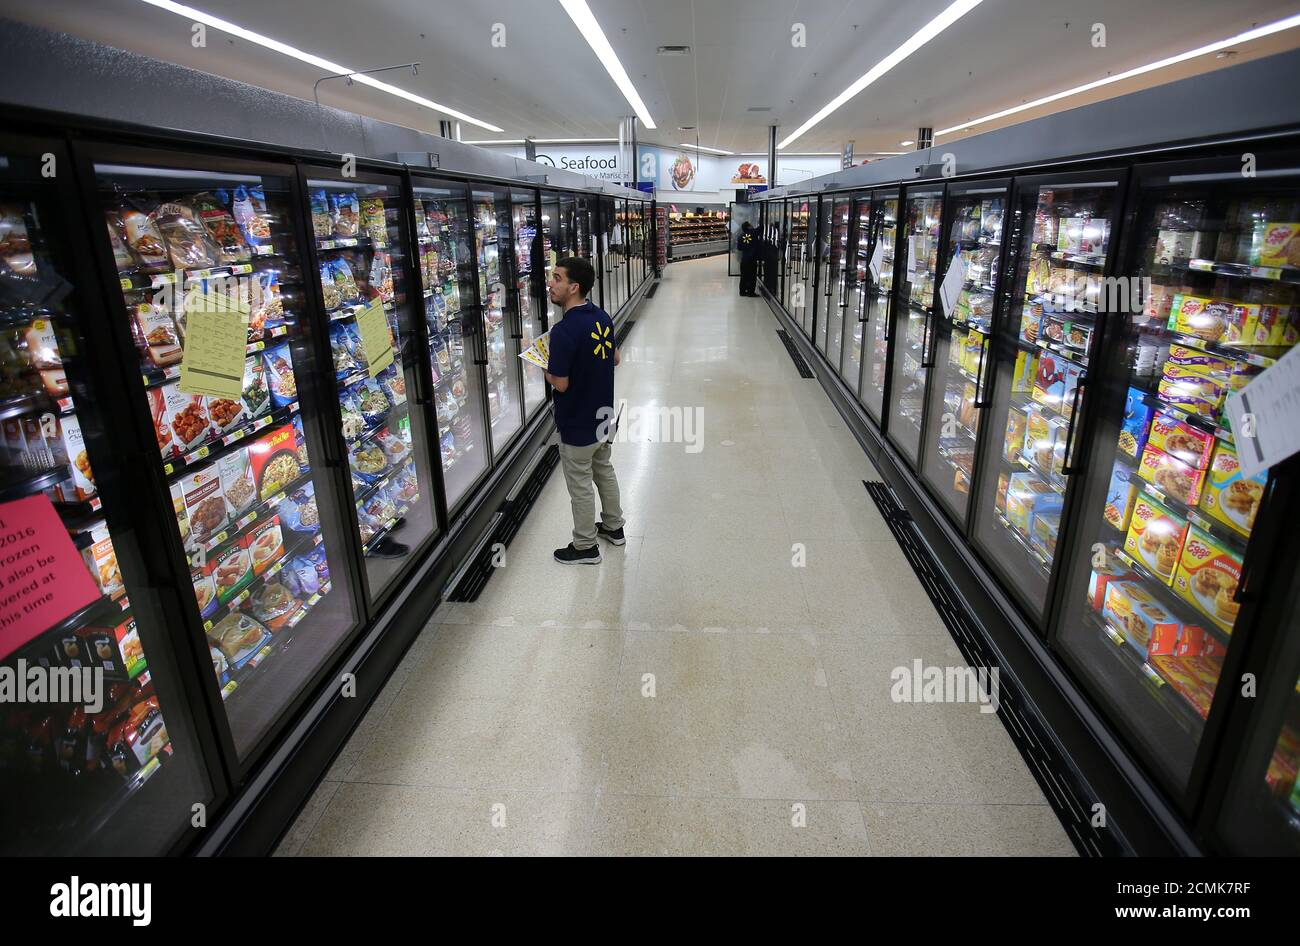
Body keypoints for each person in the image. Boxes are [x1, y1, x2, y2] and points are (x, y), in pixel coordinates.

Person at [544, 256, 626, 565]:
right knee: (604, 470)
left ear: (573, 287)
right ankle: (614, 527)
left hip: (577, 420)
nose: (550, 283)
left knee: (579, 485)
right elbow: (614, 358)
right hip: (603, 414)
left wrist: (544, 368)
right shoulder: (601, 316)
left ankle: (585, 546)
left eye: (557, 278)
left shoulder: (564, 331)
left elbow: (561, 384)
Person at [737, 220, 759, 296]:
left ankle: (742, 291)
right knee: (752, 276)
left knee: (743, 276)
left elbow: (739, 248)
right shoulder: (754, 232)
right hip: (752, 259)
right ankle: (750, 292)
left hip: (744, 259)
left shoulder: (740, 236)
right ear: (749, 226)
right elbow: (761, 228)